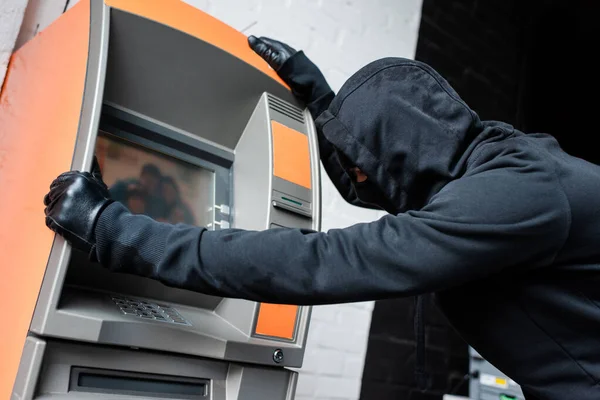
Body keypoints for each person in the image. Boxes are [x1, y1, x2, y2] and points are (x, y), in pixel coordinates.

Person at [42, 36, 600, 400]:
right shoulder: (495, 161)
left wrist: (118, 232)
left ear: (404, 144)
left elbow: (330, 260)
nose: (357, 181)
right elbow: (393, 185)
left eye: (361, 164)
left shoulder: (515, 198)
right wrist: (322, 104)